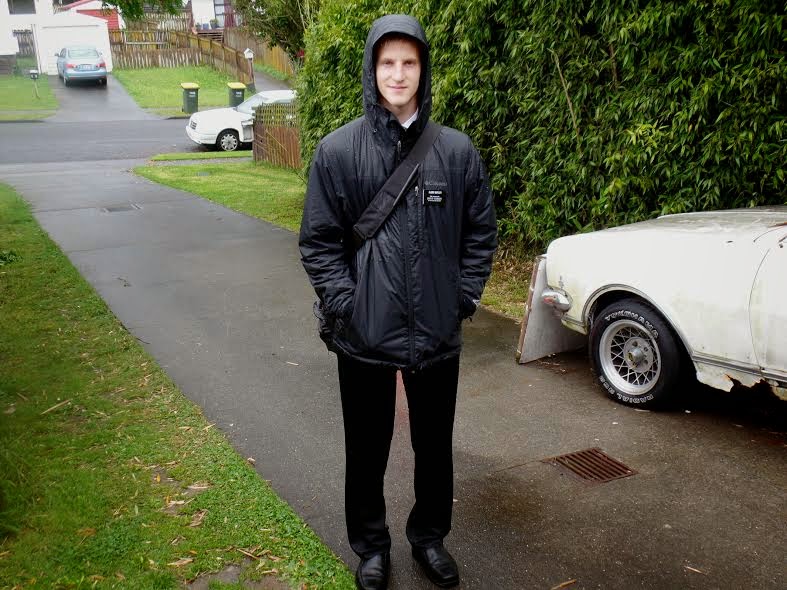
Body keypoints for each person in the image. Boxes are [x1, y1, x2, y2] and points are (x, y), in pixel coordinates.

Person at [299, 14, 497, 590]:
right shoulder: (338, 150)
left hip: (436, 334)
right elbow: (319, 241)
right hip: (363, 335)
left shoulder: (456, 151)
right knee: (366, 449)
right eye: (387, 62)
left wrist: (461, 297)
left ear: (423, 69)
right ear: (372, 68)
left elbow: (479, 233)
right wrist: (347, 305)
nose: (398, 73)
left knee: (434, 447)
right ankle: (371, 547)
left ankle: (429, 538)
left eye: (409, 62)